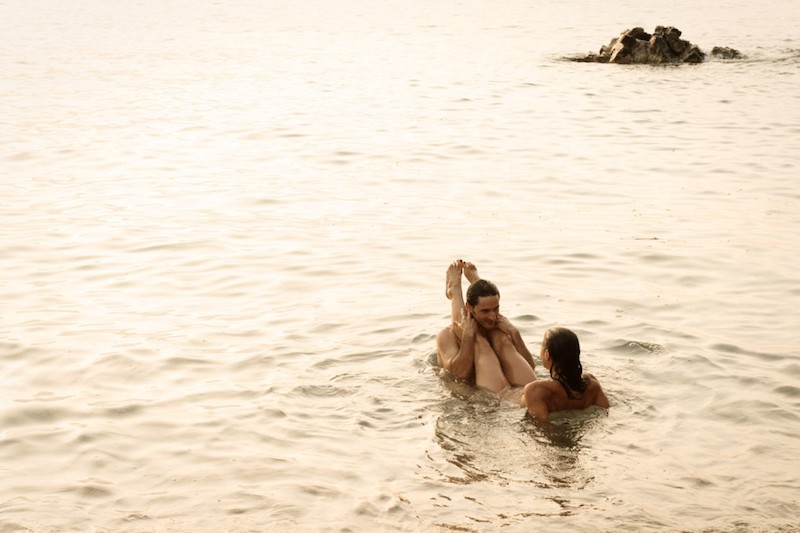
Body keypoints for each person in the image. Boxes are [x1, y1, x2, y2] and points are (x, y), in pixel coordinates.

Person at [436, 259, 537, 394]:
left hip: (510, 393)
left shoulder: (499, 328)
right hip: (477, 398)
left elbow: (530, 367)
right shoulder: (446, 335)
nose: (493, 316)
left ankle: (473, 284)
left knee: (500, 338)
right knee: (481, 342)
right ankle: (455, 290)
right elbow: (458, 376)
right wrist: (468, 338)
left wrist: (515, 334)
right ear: (469, 308)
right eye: (485, 311)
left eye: (496, 308)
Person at [521, 327, 609, 423]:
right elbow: (606, 411)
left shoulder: (536, 390)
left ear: (547, 354)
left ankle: (513, 335)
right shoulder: (592, 384)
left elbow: (541, 427)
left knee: (506, 389)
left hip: (516, 395)